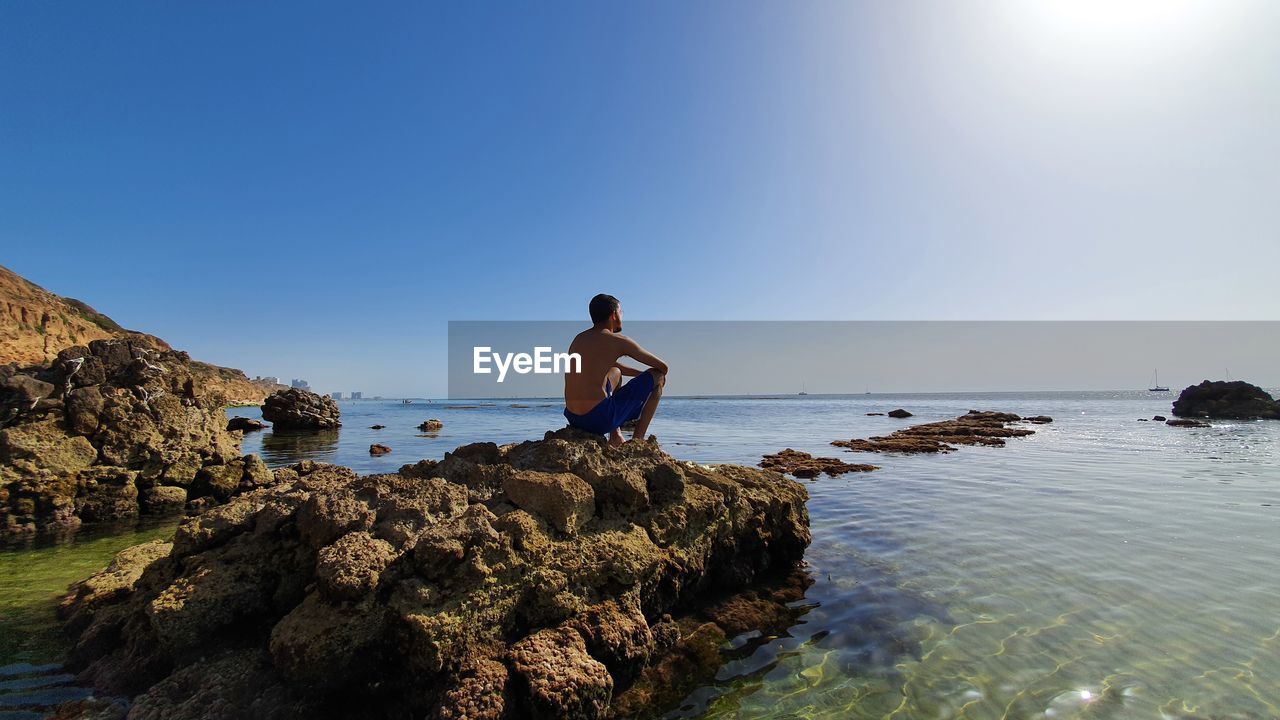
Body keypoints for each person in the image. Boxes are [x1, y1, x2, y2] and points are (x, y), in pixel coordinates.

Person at [563, 294, 667, 446]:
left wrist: (640, 376)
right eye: (621, 312)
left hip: (573, 418)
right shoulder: (619, 341)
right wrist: (649, 379)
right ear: (613, 315)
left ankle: (616, 436)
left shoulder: (579, 339)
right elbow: (663, 367)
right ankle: (638, 442)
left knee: (615, 372)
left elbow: (612, 366)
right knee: (659, 377)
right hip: (599, 419)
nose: (622, 315)